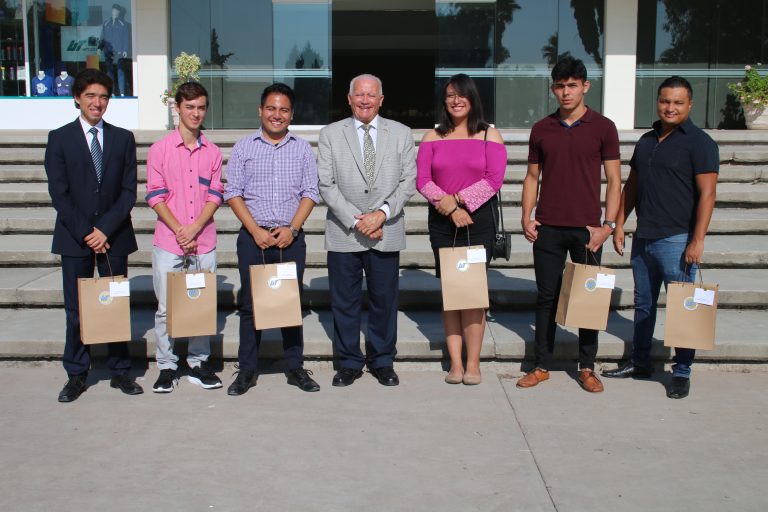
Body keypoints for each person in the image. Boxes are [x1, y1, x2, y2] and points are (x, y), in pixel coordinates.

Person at [602, 76, 718, 399]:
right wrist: (619, 223)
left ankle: (681, 371)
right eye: (666, 101)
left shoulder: (700, 143)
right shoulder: (647, 141)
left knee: (684, 307)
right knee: (643, 304)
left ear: (690, 105)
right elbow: (632, 187)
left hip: (677, 240)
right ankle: (640, 362)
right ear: (658, 102)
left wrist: (698, 240)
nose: (671, 107)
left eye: (678, 102)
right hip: (644, 238)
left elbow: (708, 194)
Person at [516, 56, 621, 393]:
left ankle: (587, 367)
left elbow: (615, 181)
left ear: (585, 86)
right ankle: (541, 364)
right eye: (560, 86)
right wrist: (526, 216)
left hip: (588, 230)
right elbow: (532, 177)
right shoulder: (541, 129)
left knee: (588, 299)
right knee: (546, 297)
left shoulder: (604, 127)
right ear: (553, 89)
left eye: (572, 85)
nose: (566, 92)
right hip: (548, 227)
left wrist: (608, 225)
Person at [45, 69, 142, 402]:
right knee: (76, 310)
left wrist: (105, 230)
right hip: (75, 238)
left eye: (103, 96)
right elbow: (60, 194)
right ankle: (76, 372)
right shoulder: (59, 138)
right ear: (77, 98)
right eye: (90, 96)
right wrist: (88, 232)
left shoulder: (122, 138)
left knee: (114, 305)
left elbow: (129, 191)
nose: (97, 103)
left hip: (114, 235)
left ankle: (120, 370)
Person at [318, 73, 417, 387]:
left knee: (384, 300)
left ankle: (382, 361)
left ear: (381, 99)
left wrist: (382, 214)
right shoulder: (331, 134)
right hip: (344, 230)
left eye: (371, 95)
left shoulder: (401, 134)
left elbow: (408, 182)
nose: (365, 100)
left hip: (385, 230)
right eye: (359, 94)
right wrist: (358, 219)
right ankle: (348, 362)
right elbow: (326, 184)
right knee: (344, 302)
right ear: (349, 99)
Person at [224, 83, 321, 395]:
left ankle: (294, 368)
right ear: (260, 110)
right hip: (254, 238)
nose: (276, 115)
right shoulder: (243, 147)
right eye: (271, 108)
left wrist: (292, 228)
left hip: (290, 238)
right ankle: (247, 370)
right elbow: (233, 192)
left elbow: (311, 192)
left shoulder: (303, 148)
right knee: (251, 306)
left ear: (291, 114)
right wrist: (255, 230)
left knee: (289, 305)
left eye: (283, 110)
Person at [416, 73, 505, 385]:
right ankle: (455, 363)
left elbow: (494, 179)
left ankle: (473, 363)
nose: (455, 100)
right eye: (450, 95)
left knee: (473, 295)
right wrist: (451, 207)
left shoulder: (488, 135)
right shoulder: (432, 137)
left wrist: (463, 203)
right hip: (443, 222)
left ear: (472, 98)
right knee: (450, 294)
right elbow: (422, 181)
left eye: (461, 94)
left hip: (478, 222)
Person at [145, 82, 224, 393]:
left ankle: (198, 362)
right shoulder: (160, 150)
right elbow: (155, 195)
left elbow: (216, 194)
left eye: (201, 107)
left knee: (200, 305)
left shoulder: (213, 152)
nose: (196, 113)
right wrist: (180, 229)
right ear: (176, 107)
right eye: (189, 107)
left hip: (203, 240)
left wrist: (194, 229)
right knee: (166, 307)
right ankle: (166, 365)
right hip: (169, 240)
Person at [100, 3, 130, 95]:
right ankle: (111, 92)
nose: (115, 13)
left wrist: (125, 50)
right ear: (112, 11)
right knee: (109, 72)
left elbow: (125, 38)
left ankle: (122, 93)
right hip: (108, 52)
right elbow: (102, 37)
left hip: (119, 52)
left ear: (119, 13)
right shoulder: (106, 23)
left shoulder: (123, 24)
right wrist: (99, 48)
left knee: (120, 71)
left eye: (117, 11)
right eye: (114, 11)